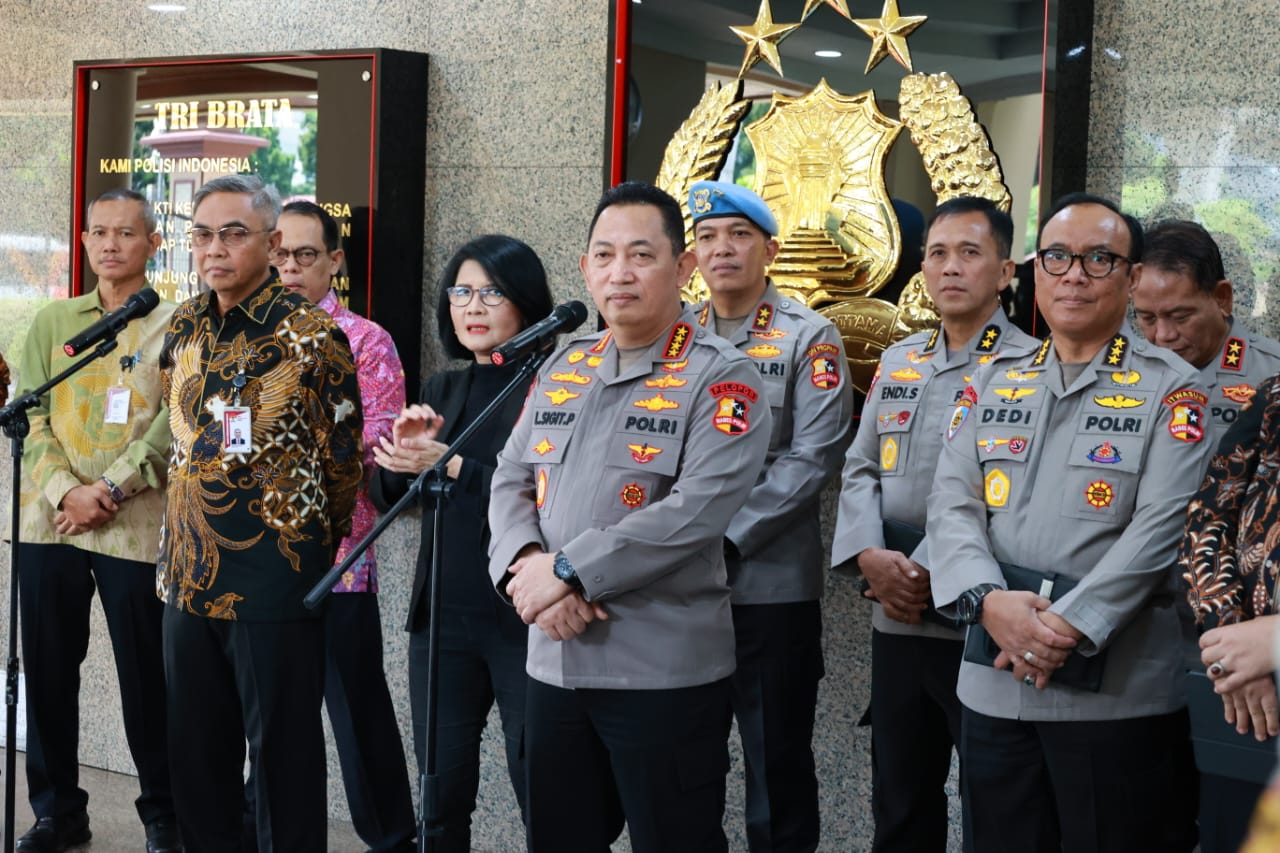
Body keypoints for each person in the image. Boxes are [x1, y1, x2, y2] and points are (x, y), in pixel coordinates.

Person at [487, 181, 771, 853]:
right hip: (554, 662)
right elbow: (509, 476)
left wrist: (568, 571)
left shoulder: (722, 377)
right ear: (585, 268)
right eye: (604, 255)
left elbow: (696, 511)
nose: (620, 272)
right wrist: (525, 567)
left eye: (641, 254)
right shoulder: (564, 365)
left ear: (683, 268)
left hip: (662, 670)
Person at [927, 192, 1213, 852]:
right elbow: (953, 505)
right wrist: (989, 602)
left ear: (1133, 277)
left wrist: (1063, 626)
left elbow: (1162, 528)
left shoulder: (1173, 389)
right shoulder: (991, 379)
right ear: (1035, 269)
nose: (1074, 275)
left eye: (1099, 258)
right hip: (994, 685)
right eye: (1057, 257)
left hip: (1116, 698)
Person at [156, 174, 363, 852]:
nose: (215, 249)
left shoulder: (312, 336)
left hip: (275, 578)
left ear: (273, 244)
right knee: (195, 760)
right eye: (203, 234)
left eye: (234, 233)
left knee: (283, 766)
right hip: (188, 577)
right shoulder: (184, 325)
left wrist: (301, 546)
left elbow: (342, 463)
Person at [832, 196, 1039, 852]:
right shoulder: (900, 362)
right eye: (938, 253)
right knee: (900, 800)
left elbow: (1016, 499)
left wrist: (931, 567)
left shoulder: (1034, 369)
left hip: (979, 625)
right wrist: (868, 552)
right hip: (895, 615)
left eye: (971, 253)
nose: (951, 267)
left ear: (1005, 271)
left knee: (994, 807)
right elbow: (860, 466)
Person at [370, 234, 553, 850]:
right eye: (461, 292)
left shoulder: (551, 384)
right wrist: (401, 458)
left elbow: (543, 498)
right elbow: (387, 497)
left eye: (491, 293)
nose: (472, 307)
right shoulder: (445, 388)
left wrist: (450, 465)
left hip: (524, 615)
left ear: (525, 302)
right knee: (440, 791)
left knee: (545, 792)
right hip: (444, 617)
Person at [686, 180, 852, 852]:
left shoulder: (809, 337)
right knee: (685, 763)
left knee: (774, 767)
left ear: (771, 249)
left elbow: (812, 460)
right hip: (679, 594)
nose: (720, 248)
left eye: (739, 235)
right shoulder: (677, 334)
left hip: (768, 593)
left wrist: (721, 539)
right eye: (706, 236)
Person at [13, 187, 180, 853]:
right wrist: (65, 490)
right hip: (51, 520)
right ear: (82, 241)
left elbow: (177, 417)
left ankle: (163, 814)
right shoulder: (54, 321)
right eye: (98, 232)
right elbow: (30, 412)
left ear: (152, 244)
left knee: (148, 676)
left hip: (134, 522)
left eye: (126, 233)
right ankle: (58, 811)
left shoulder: (176, 322)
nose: (110, 244)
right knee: (49, 670)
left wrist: (111, 485)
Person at [267, 200, 415, 851]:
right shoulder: (249, 336)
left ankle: (391, 838)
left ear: (334, 259)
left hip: (340, 560)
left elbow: (378, 444)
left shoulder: (366, 340)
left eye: (306, 254)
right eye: (281, 254)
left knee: (357, 715)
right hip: (254, 563)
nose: (291, 267)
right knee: (264, 720)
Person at [1177, 369, 1280, 852]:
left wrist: (1273, 644)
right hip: (1247, 697)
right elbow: (1208, 514)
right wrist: (1232, 643)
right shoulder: (1275, 396)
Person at [1132, 219, 1280, 431]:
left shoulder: (1273, 374)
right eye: (1148, 318)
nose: (1164, 335)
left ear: (1222, 297)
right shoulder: (1123, 375)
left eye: (1180, 317)